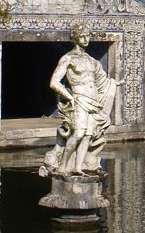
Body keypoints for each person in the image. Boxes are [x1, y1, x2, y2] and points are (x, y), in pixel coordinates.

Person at [41, 24, 123, 176]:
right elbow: (54, 82)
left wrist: (114, 83)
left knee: (88, 136)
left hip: (93, 101)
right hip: (79, 99)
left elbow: (101, 80)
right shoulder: (68, 58)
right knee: (78, 133)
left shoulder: (92, 61)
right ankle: (63, 167)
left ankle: (78, 168)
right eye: (82, 36)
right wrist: (69, 96)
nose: (86, 39)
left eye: (88, 36)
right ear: (75, 38)